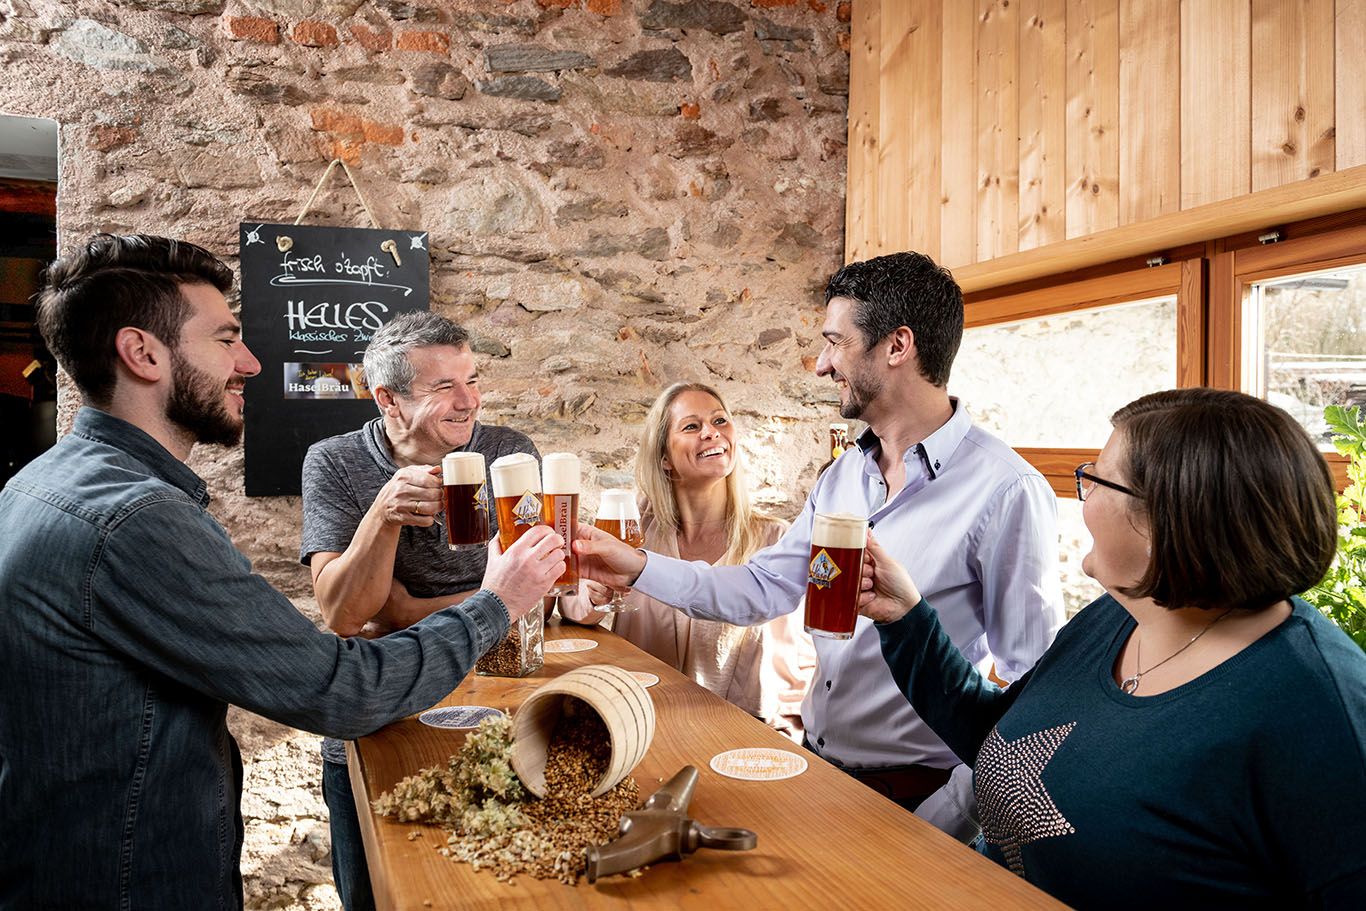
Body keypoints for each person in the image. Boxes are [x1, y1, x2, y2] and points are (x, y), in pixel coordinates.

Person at [0, 234, 565, 910]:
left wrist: (423, 607)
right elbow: (342, 685)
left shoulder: (42, 484)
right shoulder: (136, 518)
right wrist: (494, 601)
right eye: (225, 339)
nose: (251, 361)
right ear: (142, 353)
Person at [574, 251, 1063, 824]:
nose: (821, 366)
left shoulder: (1006, 489)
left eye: (836, 342)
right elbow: (761, 588)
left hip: (923, 795)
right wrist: (635, 566)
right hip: (819, 774)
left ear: (897, 347)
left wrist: (957, 806)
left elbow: (1037, 690)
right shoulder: (842, 476)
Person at [859, 388, 1366, 908]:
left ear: (1169, 518)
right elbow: (1004, 744)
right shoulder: (1116, 618)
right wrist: (907, 617)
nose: (1084, 499)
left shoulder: (1323, 714)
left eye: (1096, 479)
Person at [299, 310, 538, 910]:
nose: (469, 402)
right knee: (374, 893)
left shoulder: (509, 452)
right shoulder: (334, 461)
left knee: (490, 887)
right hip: (384, 707)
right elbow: (346, 618)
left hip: (499, 693)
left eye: (473, 379)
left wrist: (407, 609)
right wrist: (381, 515)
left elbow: (533, 582)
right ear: (389, 400)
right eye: (444, 387)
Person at [560, 382, 816, 740]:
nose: (712, 432)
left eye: (720, 421)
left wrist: (789, 734)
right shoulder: (634, 533)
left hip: (746, 738)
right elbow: (572, 606)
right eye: (692, 426)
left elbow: (801, 660)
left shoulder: (775, 540)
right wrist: (592, 595)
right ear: (664, 457)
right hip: (646, 727)